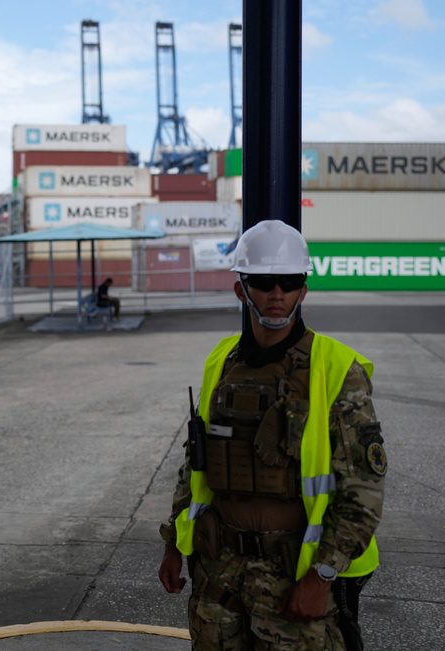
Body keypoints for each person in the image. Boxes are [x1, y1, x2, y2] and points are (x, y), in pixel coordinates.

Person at [157, 220, 386, 650]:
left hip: (294, 576)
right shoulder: (221, 360)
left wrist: (321, 578)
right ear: (242, 289)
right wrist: (174, 544)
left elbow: (363, 491)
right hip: (217, 575)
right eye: (263, 281)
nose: (276, 293)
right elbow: (195, 464)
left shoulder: (336, 369)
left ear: (304, 288)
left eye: (290, 281)